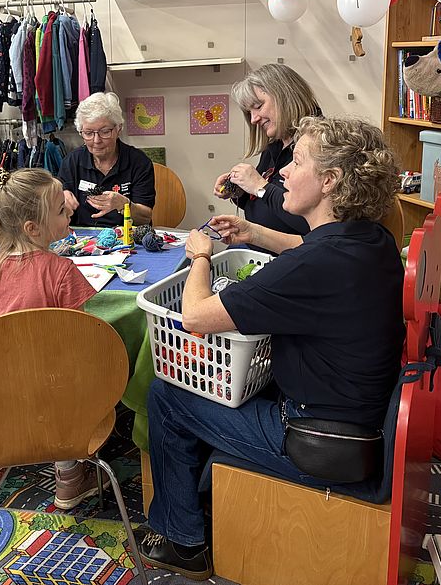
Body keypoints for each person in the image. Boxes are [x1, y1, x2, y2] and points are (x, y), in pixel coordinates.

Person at [135, 117, 405, 580]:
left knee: (168, 396)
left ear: (329, 180)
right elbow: (306, 244)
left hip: (314, 442)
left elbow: (196, 316)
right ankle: (200, 499)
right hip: (354, 429)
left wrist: (200, 254)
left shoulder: (313, 265)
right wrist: (255, 234)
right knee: (217, 385)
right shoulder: (371, 239)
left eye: (297, 162)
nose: (282, 171)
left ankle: (183, 541)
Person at [0, 166, 104, 510]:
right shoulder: (61, 272)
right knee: (91, 374)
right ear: (33, 228)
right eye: (61, 209)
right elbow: (83, 346)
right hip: (55, 404)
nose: (71, 209)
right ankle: (69, 474)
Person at [213, 64, 322, 255]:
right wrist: (240, 190)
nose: (254, 119)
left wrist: (260, 187)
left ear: (286, 96)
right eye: (249, 112)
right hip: (256, 250)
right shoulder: (276, 145)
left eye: (258, 106)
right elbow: (266, 201)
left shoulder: (319, 146)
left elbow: (314, 223)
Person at [58, 92, 156, 228]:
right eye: (88, 133)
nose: (96, 140)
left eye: (104, 132)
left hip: (126, 238)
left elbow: (144, 218)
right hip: (83, 239)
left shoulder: (139, 162)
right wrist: (61, 203)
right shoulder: (71, 162)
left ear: (118, 129)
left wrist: (124, 205)